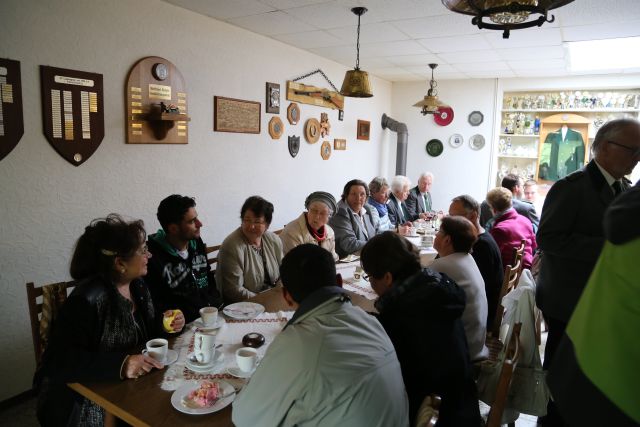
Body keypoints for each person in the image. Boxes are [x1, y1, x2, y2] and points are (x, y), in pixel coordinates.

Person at [232, 244, 409, 427]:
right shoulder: (371, 322)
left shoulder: (298, 344)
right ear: (339, 282)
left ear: (287, 296)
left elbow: (244, 418)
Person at [35, 214, 185, 427]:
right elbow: (59, 361)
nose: (149, 255)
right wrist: (121, 365)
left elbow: (147, 331)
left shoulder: (138, 286)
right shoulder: (86, 300)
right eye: (143, 250)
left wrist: (167, 324)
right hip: (91, 397)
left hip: (134, 384)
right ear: (120, 263)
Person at [536, 119, 639, 426]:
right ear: (606, 147)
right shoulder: (572, 187)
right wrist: (609, 250)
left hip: (597, 300)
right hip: (568, 299)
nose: (637, 157)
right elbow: (549, 238)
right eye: (633, 150)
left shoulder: (623, 188)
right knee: (561, 378)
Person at [360, 232, 482, 426]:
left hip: (442, 415)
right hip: (464, 405)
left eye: (371, 277)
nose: (372, 284)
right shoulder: (437, 287)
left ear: (388, 278)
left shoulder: (400, 317)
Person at [147, 195, 220, 322]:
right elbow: (157, 303)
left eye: (197, 218)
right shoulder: (152, 258)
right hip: (183, 326)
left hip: (211, 315)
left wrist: (215, 303)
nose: (200, 224)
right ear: (173, 229)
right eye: (192, 221)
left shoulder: (196, 242)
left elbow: (208, 277)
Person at [429, 216, 489, 361]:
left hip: (462, 352)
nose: (435, 234)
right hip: (477, 343)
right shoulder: (468, 258)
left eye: (438, 231)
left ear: (447, 240)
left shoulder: (441, 266)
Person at [449, 195, 504, 329]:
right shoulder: (478, 238)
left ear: (473, 216)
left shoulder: (481, 246)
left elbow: (473, 289)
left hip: (482, 314)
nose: (449, 222)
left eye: (454, 217)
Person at [217, 196, 283, 302]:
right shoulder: (232, 245)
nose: (251, 226)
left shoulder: (274, 240)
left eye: (257, 222)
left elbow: (283, 272)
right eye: (247, 220)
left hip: (271, 298)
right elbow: (233, 290)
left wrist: (279, 293)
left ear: (267, 225)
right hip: (243, 305)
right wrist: (263, 300)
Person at [485, 187, 537, 270]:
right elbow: (534, 246)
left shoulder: (499, 229)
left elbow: (492, 258)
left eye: (490, 207)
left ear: (494, 210)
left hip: (507, 275)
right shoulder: (525, 220)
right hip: (527, 271)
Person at [279, 191, 338, 261]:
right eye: (314, 210)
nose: (317, 216)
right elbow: (295, 265)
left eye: (323, 213)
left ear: (329, 216)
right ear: (308, 209)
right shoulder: (292, 232)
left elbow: (334, 259)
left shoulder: (330, 232)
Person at [329, 179, 377, 258]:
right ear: (346, 195)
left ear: (366, 197)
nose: (358, 198)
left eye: (362, 194)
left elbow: (376, 233)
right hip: (346, 261)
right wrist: (376, 245)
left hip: (366, 257)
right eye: (353, 194)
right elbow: (349, 244)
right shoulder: (340, 212)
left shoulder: (367, 209)